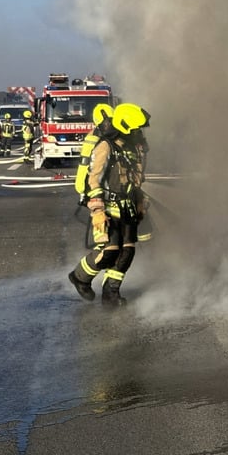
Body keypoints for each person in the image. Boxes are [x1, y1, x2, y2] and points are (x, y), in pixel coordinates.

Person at [67, 103, 150, 306]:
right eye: (135, 128)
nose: (138, 132)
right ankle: (80, 277)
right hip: (108, 207)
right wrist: (97, 208)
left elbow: (135, 179)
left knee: (127, 251)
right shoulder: (105, 146)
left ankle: (111, 292)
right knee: (109, 250)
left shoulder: (131, 148)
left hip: (128, 206)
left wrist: (140, 201)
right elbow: (93, 179)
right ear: (124, 126)